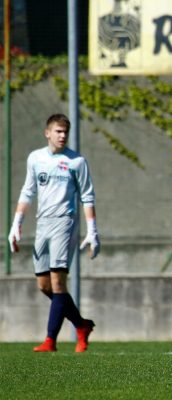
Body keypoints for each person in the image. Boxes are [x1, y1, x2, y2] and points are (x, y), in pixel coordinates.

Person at [7, 113, 101, 353]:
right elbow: (28, 192)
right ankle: (81, 325)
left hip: (65, 223)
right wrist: (16, 224)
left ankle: (50, 340)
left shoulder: (77, 161)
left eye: (65, 132)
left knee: (58, 282)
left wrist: (92, 231)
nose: (62, 136)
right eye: (58, 131)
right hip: (42, 225)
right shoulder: (35, 158)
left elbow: (87, 196)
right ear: (47, 133)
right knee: (44, 285)